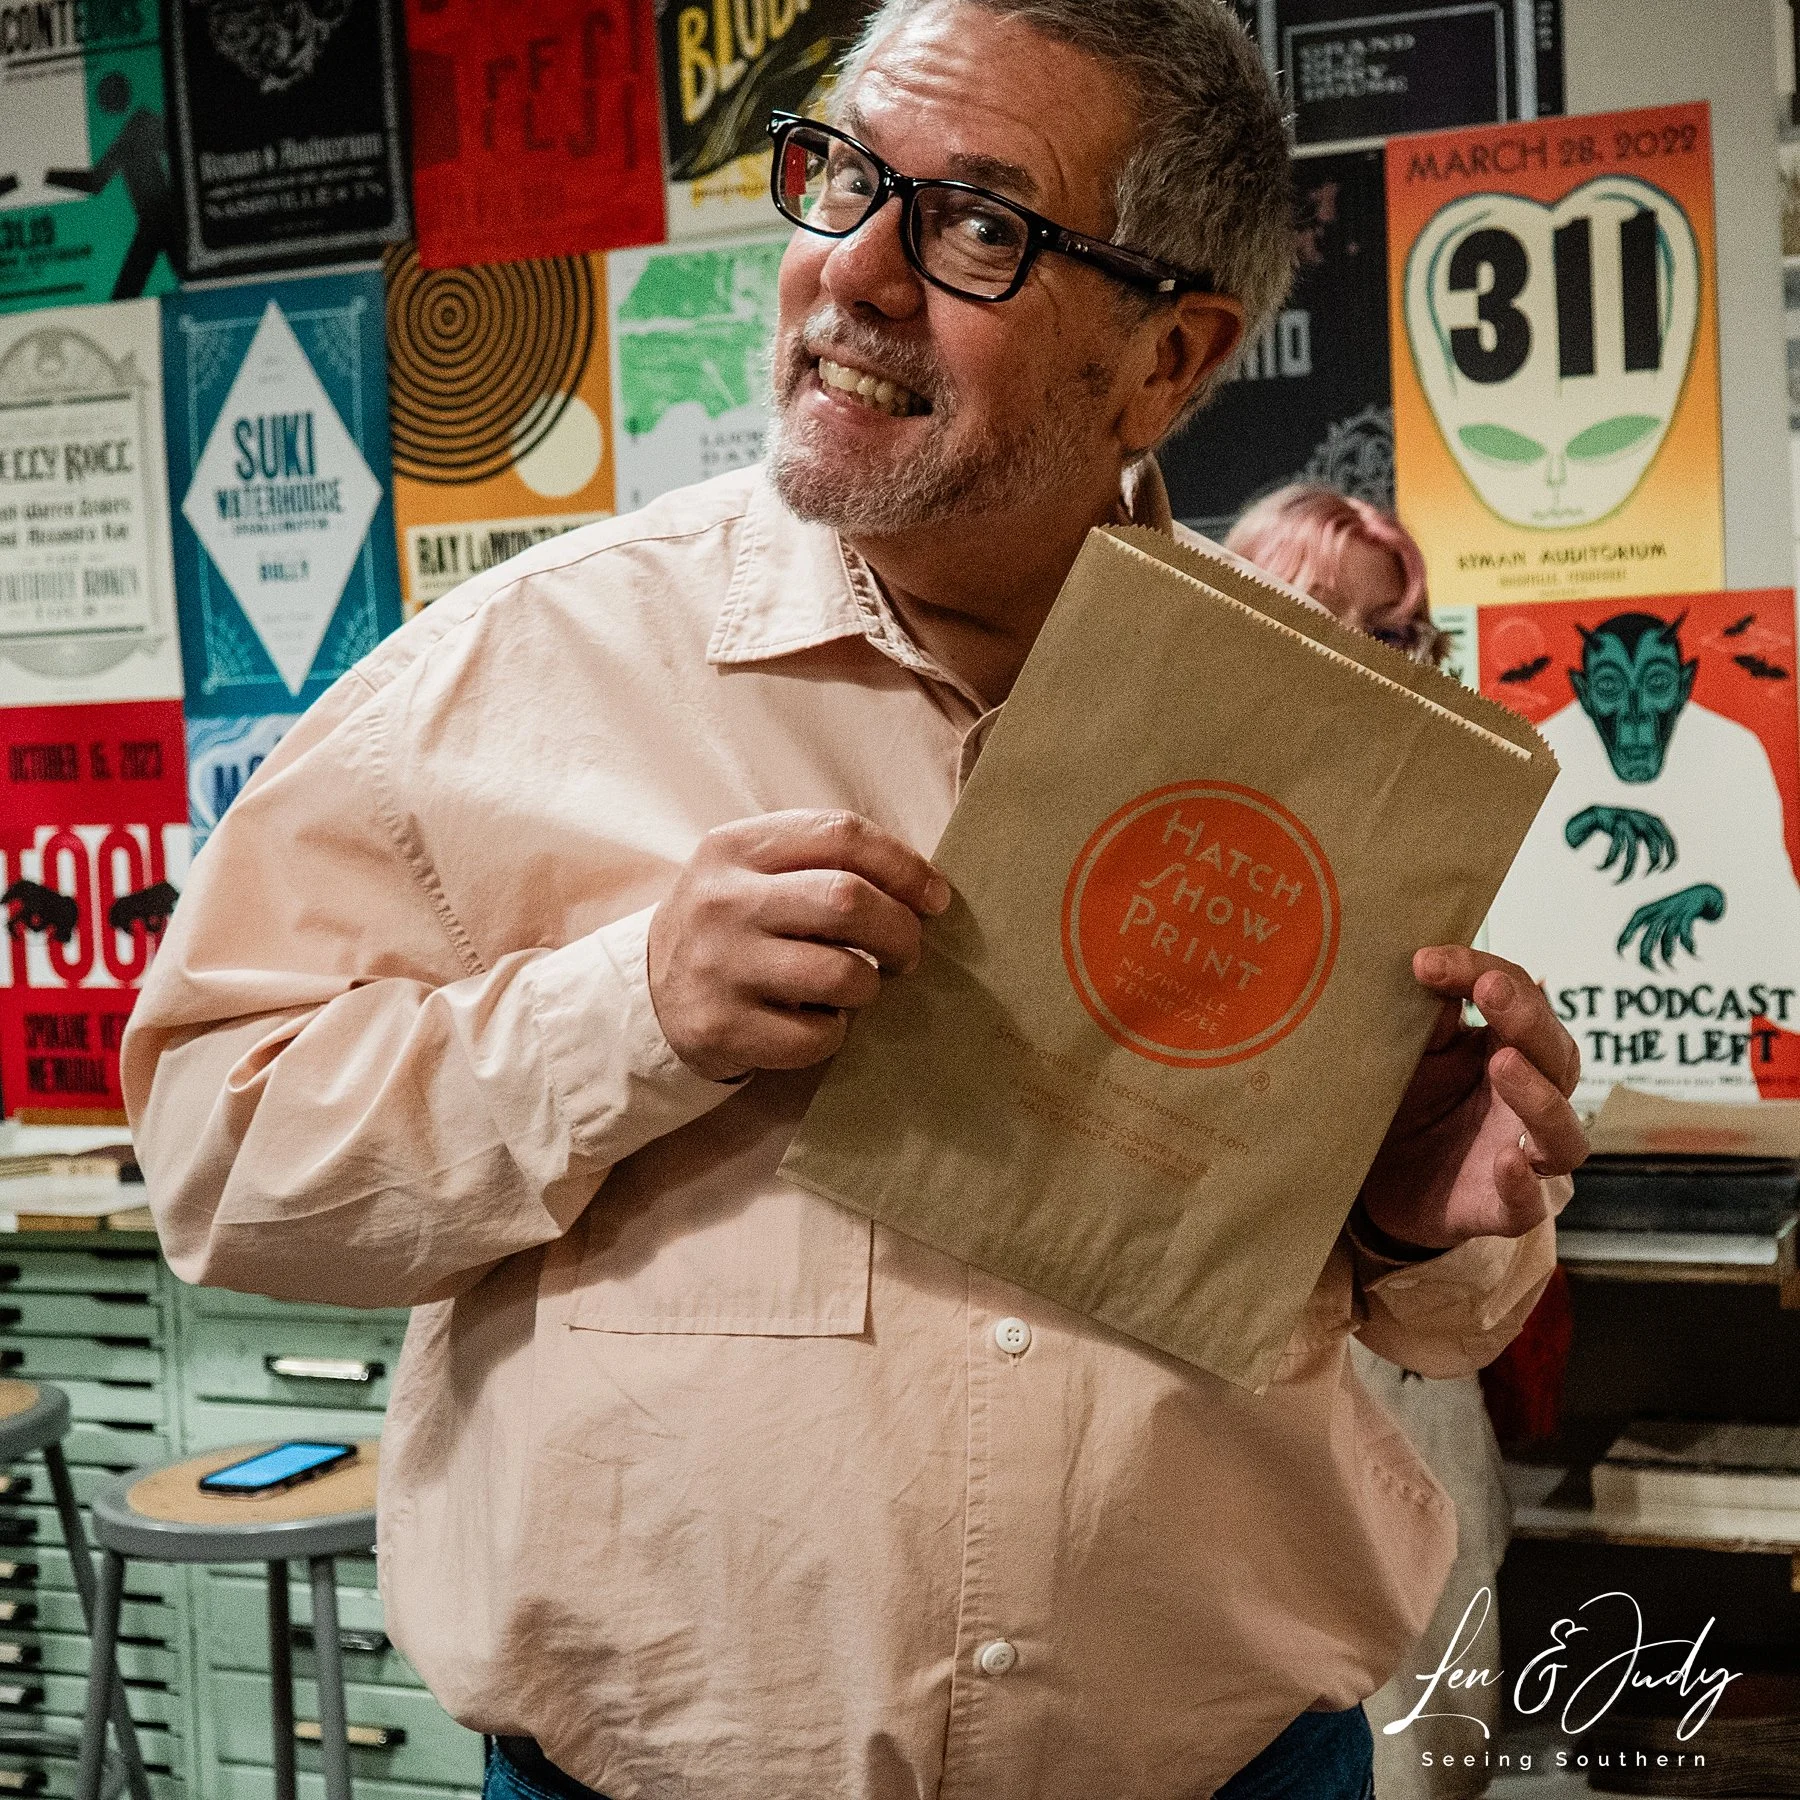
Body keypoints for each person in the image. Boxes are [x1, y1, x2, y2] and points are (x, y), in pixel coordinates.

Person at [122, 5, 1585, 1797]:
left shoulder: (1329, 748)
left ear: (1169, 357)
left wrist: (1431, 1223)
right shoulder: (521, 668)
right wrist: (625, 1017)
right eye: (839, 177)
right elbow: (215, 1157)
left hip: (1226, 1765)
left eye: (979, 223)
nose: (854, 273)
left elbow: (1434, 1325)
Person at [1226, 484, 1513, 1800]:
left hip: (1395, 1345)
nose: (1384, 663)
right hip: (1219, 1367)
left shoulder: (1431, 809)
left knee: (1432, 1731)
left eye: (1405, 635)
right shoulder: (1169, 797)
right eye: (1338, 620)